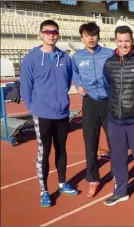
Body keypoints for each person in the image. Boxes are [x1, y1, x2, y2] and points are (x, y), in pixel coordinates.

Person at [20, 20, 78, 208]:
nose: (51, 35)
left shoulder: (65, 57)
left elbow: (70, 79)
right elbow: (25, 89)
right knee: (44, 152)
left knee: (61, 149)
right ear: (41, 34)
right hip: (42, 114)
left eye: (54, 32)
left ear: (58, 34)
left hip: (61, 113)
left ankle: (62, 183)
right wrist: (34, 108)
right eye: (47, 32)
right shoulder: (31, 58)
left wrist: (62, 100)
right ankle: (44, 190)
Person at [102, 26, 134, 210]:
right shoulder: (109, 63)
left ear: (132, 41)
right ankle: (120, 191)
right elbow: (108, 86)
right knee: (117, 159)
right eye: (120, 40)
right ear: (116, 41)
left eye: (127, 40)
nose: (124, 44)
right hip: (115, 120)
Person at [72, 22, 114, 198]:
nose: (90, 38)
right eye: (87, 35)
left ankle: (118, 175)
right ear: (82, 37)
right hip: (89, 103)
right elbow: (74, 73)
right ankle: (93, 180)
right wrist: (79, 85)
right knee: (91, 143)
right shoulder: (76, 56)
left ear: (98, 36)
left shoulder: (109, 54)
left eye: (93, 34)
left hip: (108, 102)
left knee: (114, 141)